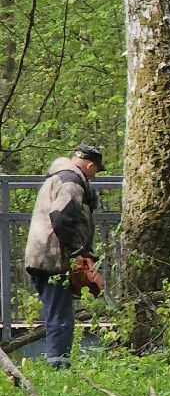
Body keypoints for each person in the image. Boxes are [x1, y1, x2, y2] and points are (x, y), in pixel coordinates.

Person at [25, 143, 103, 369]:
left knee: (57, 313)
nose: (94, 177)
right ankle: (59, 370)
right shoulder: (71, 183)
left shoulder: (60, 177)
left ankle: (57, 365)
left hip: (44, 257)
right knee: (61, 318)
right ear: (89, 165)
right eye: (95, 171)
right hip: (53, 260)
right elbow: (62, 218)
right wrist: (78, 254)